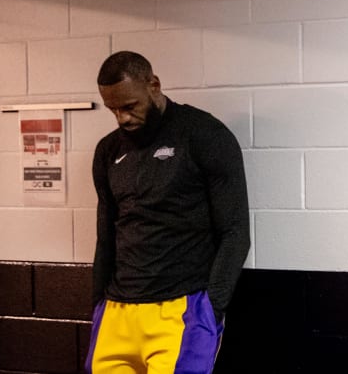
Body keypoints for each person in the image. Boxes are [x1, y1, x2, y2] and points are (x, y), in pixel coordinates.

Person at [85, 51, 250, 373]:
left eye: (130, 106)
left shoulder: (203, 134)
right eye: (113, 109)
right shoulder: (108, 150)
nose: (122, 118)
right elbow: (106, 235)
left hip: (180, 309)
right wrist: (97, 305)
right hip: (118, 311)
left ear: (154, 85)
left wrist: (210, 310)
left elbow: (235, 231)